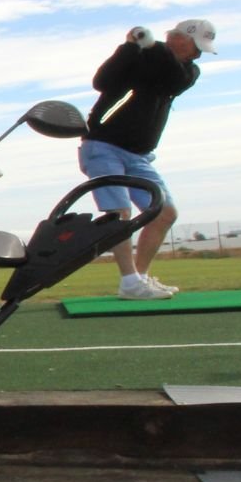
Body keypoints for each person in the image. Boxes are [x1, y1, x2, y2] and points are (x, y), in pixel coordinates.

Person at [80, 18, 214, 300]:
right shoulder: (140, 55)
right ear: (179, 39)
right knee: (119, 212)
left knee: (165, 213)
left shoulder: (187, 71)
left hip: (139, 155)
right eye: (196, 47)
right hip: (103, 145)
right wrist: (129, 47)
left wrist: (153, 46)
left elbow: (175, 79)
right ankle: (130, 281)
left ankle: (137, 278)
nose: (197, 54)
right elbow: (101, 82)